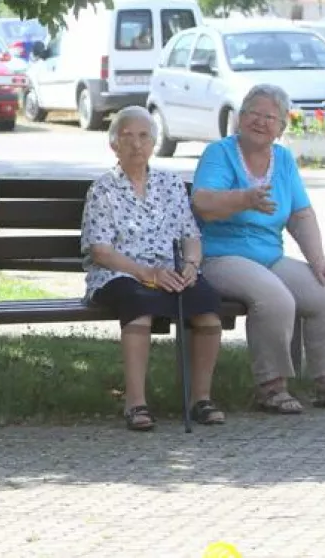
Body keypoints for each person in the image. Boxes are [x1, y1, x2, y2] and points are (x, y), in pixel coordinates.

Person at [192, 84, 325, 413]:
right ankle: (271, 387)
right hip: (220, 255)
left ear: (282, 127)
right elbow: (202, 203)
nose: (260, 122)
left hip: (269, 256)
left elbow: (301, 214)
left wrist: (318, 260)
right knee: (275, 298)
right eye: (253, 114)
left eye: (269, 117)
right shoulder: (220, 153)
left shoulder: (284, 159)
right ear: (240, 118)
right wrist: (243, 198)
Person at [81, 106, 226, 431]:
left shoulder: (171, 185)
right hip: (119, 274)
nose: (136, 144)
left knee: (206, 306)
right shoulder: (103, 189)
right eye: (127, 136)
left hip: (168, 272)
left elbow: (191, 235)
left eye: (144, 136)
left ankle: (200, 399)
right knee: (140, 303)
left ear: (154, 142)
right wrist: (145, 274)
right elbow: (101, 252)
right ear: (114, 144)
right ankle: (135, 403)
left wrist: (191, 265)